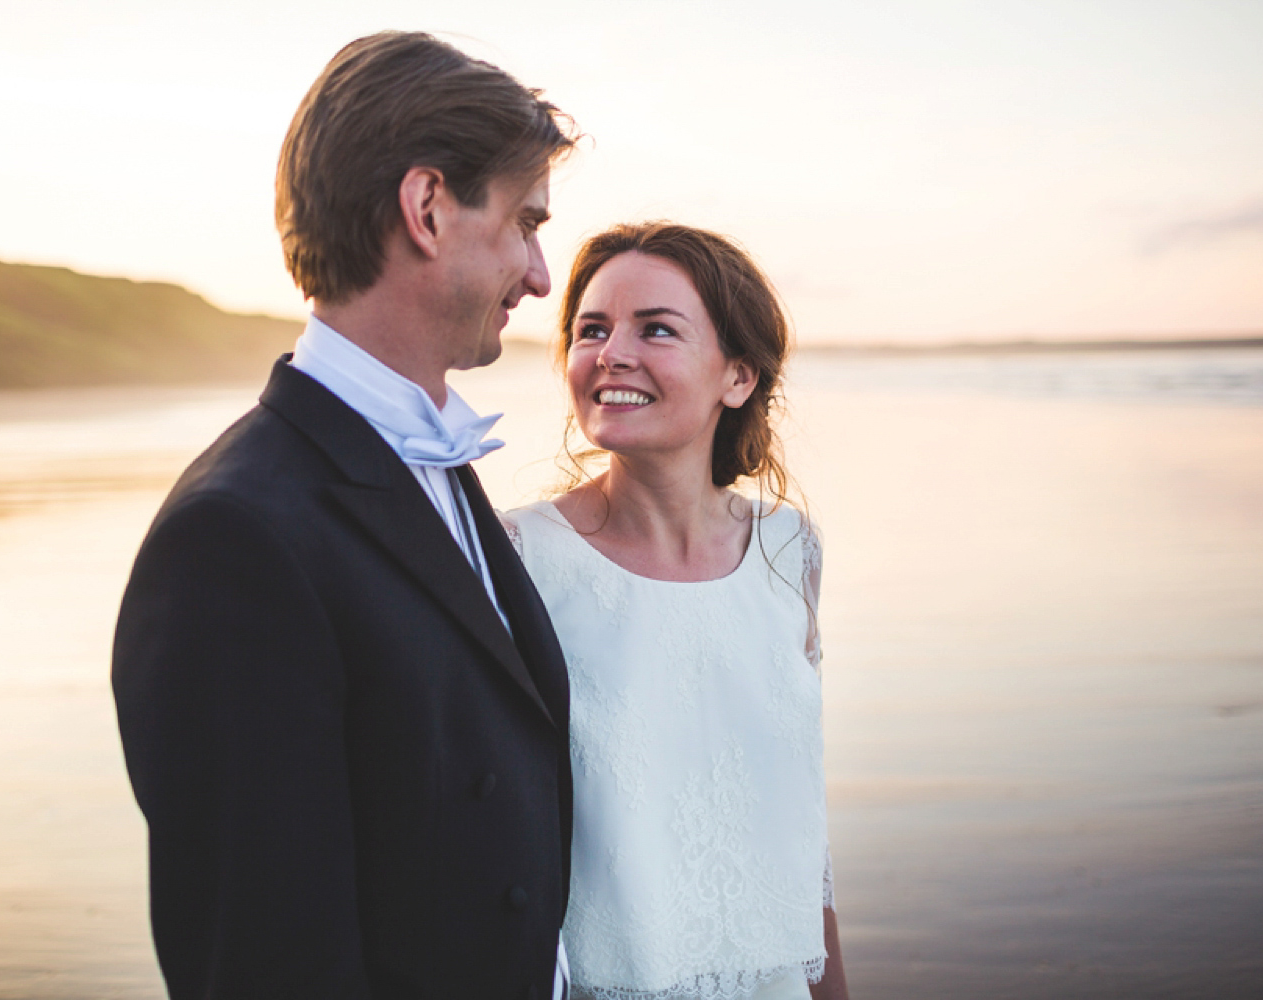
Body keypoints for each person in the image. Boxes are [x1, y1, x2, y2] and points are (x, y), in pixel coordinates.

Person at [112, 32, 578, 1000]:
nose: (540, 276)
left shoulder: (431, 460)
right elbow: (263, 962)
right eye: (525, 224)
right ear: (427, 208)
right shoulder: (234, 539)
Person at [502, 223, 850, 1000]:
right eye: (591, 330)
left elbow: (800, 822)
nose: (610, 353)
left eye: (655, 329)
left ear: (738, 376)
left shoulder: (792, 550)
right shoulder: (520, 559)